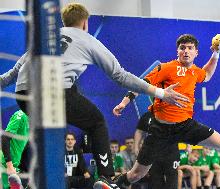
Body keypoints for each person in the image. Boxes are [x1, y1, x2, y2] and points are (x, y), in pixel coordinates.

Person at [0, 3, 188, 186]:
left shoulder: (45, 39)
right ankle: (107, 178)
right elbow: (120, 75)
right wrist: (161, 92)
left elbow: (10, 75)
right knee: (96, 122)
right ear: (85, 23)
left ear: (65, 22)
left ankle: (29, 179)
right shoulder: (87, 39)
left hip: (24, 94)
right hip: (53, 92)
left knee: (50, 132)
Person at [108, 34, 220, 189]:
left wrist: (216, 54)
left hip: (186, 126)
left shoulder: (195, 71)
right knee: (137, 174)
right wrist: (124, 102)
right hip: (160, 129)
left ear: (196, 52)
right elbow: (141, 84)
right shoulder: (166, 68)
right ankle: (113, 184)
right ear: (178, 51)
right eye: (182, 48)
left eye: (189, 48)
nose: (185, 51)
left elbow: (207, 74)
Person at [134, 111, 180, 189]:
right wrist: (136, 147)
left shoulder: (174, 113)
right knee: (155, 180)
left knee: (172, 178)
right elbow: (139, 131)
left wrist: (188, 145)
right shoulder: (147, 115)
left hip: (171, 153)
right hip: (153, 153)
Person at [1, 110, 29, 189]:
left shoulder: (34, 121)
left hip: (20, 168)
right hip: (9, 167)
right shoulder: (20, 115)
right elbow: (5, 138)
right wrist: (9, 166)